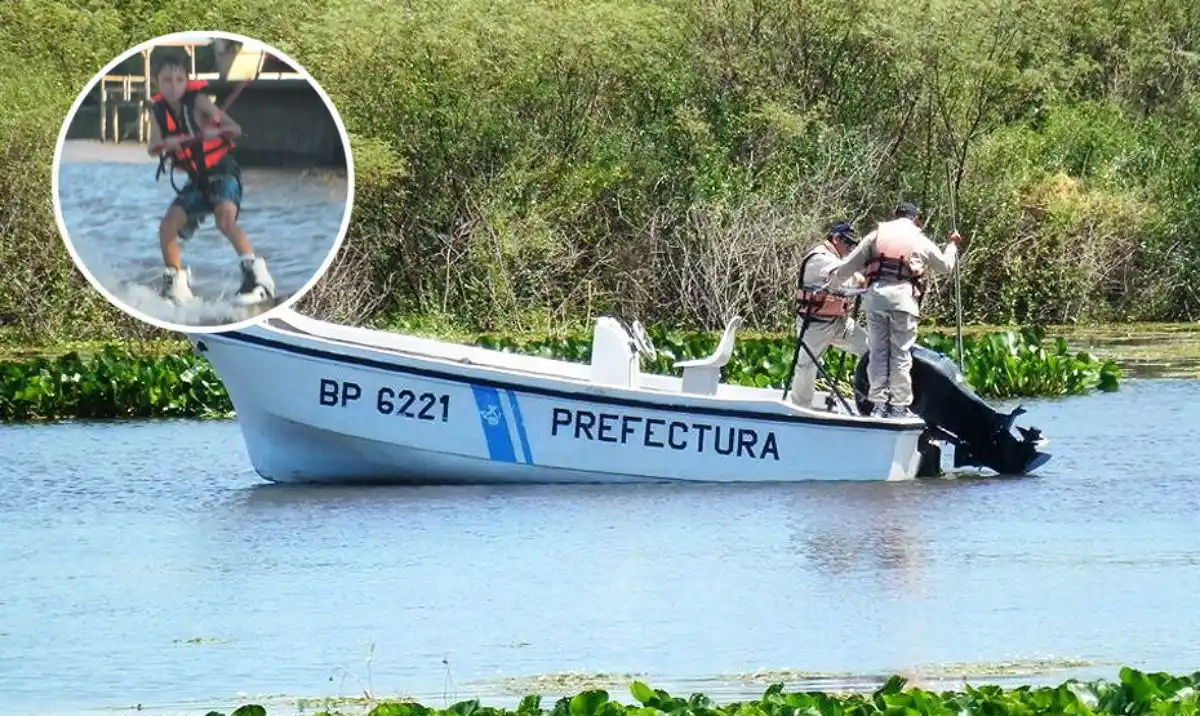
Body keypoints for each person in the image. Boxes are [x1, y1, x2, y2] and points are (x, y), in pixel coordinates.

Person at [146, 54, 275, 306]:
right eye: (167, 80)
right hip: (197, 180)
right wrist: (168, 143)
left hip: (224, 173)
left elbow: (234, 129)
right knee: (167, 227)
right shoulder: (158, 111)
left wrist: (214, 131)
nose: (173, 86)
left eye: (179, 80)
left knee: (225, 221)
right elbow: (153, 147)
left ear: (187, 81)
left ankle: (258, 279)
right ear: (156, 82)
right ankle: (176, 287)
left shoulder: (198, 101)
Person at [822, 201, 962, 419]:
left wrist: (831, 286)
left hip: (875, 300)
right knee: (900, 354)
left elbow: (847, 267)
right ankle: (898, 406)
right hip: (903, 301)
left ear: (895, 215)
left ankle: (878, 405)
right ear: (915, 219)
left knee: (878, 352)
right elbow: (945, 267)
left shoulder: (876, 236)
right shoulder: (918, 239)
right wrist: (952, 245)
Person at [789, 220, 870, 410]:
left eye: (852, 244)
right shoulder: (820, 257)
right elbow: (843, 276)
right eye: (847, 242)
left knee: (870, 349)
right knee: (807, 365)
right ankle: (800, 409)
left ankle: (870, 400)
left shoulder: (838, 258)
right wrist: (859, 276)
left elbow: (854, 279)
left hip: (839, 322)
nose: (850, 247)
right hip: (815, 323)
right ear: (835, 238)